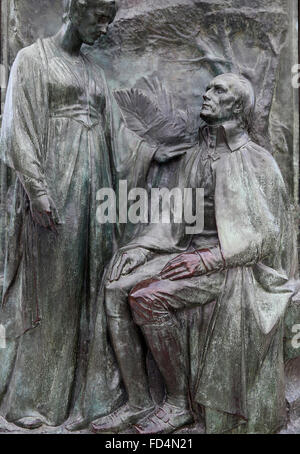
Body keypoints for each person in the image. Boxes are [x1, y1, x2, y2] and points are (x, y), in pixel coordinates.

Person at [0, 0, 186, 430]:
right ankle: (32, 397)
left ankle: (93, 396)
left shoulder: (93, 72)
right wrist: (37, 189)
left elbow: (114, 132)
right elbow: (17, 128)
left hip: (95, 188)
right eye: (99, 18)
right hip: (55, 185)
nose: (104, 28)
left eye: (109, 19)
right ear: (74, 10)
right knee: (53, 291)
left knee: (90, 287)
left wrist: (147, 153)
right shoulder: (32, 59)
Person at [92, 73, 298, 434]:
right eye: (208, 87)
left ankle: (176, 405)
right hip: (187, 254)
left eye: (219, 90)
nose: (207, 93)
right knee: (114, 288)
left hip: (232, 267)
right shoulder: (197, 156)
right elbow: (175, 214)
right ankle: (138, 401)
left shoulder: (258, 161)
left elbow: (268, 237)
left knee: (147, 298)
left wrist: (207, 259)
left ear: (237, 106)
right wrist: (141, 249)